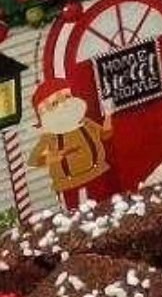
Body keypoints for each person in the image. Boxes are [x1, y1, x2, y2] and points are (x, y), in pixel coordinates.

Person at [28, 77, 114, 208]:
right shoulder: (50, 136)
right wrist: (52, 156)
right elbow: (34, 160)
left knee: (106, 209)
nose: (65, 104)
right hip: (71, 186)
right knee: (79, 217)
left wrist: (108, 115)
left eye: (67, 97)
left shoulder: (85, 122)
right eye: (56, 103)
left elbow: (105, 135)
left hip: (98, 175)